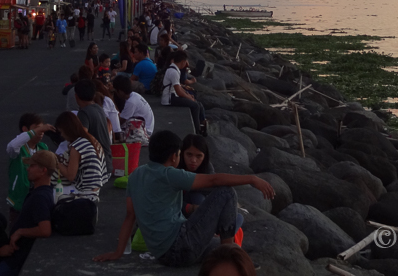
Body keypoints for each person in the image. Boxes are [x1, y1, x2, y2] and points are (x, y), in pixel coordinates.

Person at [93, 130, 275, 267]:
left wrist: (118, 252)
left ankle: (232, 256)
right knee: (226, 193)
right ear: (174, 156)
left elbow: (129, 217)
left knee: (226, 247)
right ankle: (227, 261)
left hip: (163, 254)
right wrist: (251, 178)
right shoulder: (169, 174)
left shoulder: (136, 175)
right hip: (180, 247)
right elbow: (215, 180)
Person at [6, 151, 57, 271]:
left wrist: (20, 232)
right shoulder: (46, 192)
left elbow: (45, 230)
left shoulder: (39, 197)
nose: (28, 169)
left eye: (32, 166)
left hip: (18, 260)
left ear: (43, 170)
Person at [5, 113, 51, 226]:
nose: (41, 132)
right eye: (37, 128)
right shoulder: (18, 149)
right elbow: (11, 146)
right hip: (19, 202)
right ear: (25, 129)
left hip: (38, 200)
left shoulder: (43, 148)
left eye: (42, 129)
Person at [54, 111, 106, 200]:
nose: (62, 135)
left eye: (61, 132)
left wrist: (54, 160)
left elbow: (70, 176)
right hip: (95, 190)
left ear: (68, 130)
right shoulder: (92, 140)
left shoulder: (77, 146)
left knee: (49, 193)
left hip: (83, 191)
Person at [74, 80, 113, 178]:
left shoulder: (84, 113)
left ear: (76, 96)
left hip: (96, 167)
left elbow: (82, 136)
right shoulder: (99, 108)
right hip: (106, 163)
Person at [163, 51, 206, 135]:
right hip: (170, 98)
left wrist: (188, 95)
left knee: (196, 103)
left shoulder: (175, 69)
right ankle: (197, 131)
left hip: (173, 95)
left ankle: (201, 125)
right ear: (183, 62)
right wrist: (189, 98)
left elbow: (179, 87)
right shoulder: (174, 72)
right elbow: (178, 92)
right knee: (195, 105)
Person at [179, 135, 214, 215]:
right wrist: (189, 207)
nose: (193, 160)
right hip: (179, 208)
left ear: (204, 156)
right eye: (189, 155)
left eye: (199, 156)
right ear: (182, 153)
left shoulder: (207, 168)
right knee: (198, 198)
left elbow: (213, 186)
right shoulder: (174, 168)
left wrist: (190, 186)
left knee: (239, 217)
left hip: (200, 206)